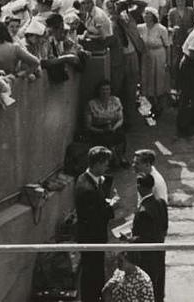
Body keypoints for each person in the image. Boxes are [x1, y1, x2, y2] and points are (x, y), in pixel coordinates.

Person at [74, 146, 118, 302]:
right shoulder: (87, 189)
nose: (107, 166)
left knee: (95, 273)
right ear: (97, 163)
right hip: (91, 238)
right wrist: (111, 206)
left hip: (91, 236)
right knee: (92, 276)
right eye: (105, 163)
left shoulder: (85, 178)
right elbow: (96, 217)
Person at [129, 173, 168, 302]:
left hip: (146, 257)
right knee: (158, 286)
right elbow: (164, 226)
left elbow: (144, 238)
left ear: (139, 187)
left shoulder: (143, 211)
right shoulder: (161, 203)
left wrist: (129, 239)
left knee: (148, 286)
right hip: (159, 251)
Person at [83, 80, 126, 165]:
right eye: (102, 89)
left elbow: (120, 119)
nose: (105, 92)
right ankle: (113, 158)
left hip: (113, 127)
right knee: (106, 138)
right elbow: (88, 125)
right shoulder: (91, 104)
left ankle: (120, 156)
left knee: (121, 135)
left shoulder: (116, 100)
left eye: (107, 89)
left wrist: (114, 128)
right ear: (98, 91)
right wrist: (101, 131)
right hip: (98, 129)